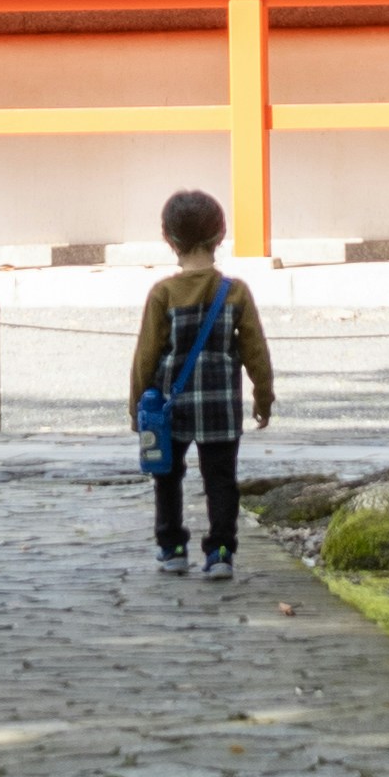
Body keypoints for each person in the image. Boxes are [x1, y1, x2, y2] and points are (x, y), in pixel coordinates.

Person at [127, 183, 273, 575]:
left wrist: (136, 406)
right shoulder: (235, 292)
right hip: (221, 405)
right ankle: (221, 553)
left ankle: (172, 547)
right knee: (221, 478)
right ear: (221, 235)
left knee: (167, 476)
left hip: (170, 408)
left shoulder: (163, 294)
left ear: (168, 238)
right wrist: (264, 395)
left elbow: (146, 356)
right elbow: (256, 351)